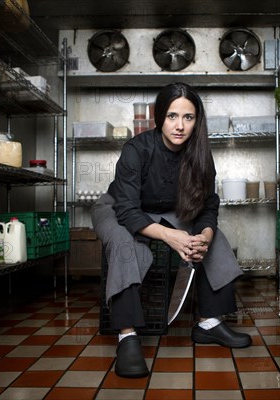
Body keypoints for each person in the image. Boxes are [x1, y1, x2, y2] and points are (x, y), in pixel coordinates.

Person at [91, 82, 251, 379]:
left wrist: (202, 237)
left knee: (214, 240)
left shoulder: (201, 155)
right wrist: (170, 236)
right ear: (160, 116)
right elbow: (127, 210)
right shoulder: (136, 149)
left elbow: (208, 207)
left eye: (188, 117)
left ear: (196, 120)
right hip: (118, 207)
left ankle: (208, 323)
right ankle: (127, 336)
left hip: (169, 210)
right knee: (125, 243)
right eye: (172, 116)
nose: (180, 125)